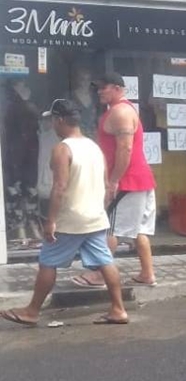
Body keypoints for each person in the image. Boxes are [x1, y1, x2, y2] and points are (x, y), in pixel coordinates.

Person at [1, 100, 128, 327]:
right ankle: (118, 309)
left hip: (71, 219)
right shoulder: (94, 147)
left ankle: (32, 311)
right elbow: (106, 183)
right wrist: (101, 207)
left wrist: (51, 221)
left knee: (47, 262)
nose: (52, 125)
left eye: (53, 120)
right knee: (105, 261)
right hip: (95, 216)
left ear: (60, 120)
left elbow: (59, 187)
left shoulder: (63, 149)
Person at [73, 73, 157, 289]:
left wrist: (113, 181)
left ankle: (99, 275)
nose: (99, 91)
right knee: (138, 231)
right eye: (98, 88)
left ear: (119, 88)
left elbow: (125, 148)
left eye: (104, 87)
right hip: (139, 179)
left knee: (111, 230)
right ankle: (147, 274)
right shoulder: (121, 110)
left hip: (128, 181)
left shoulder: (120, 112)